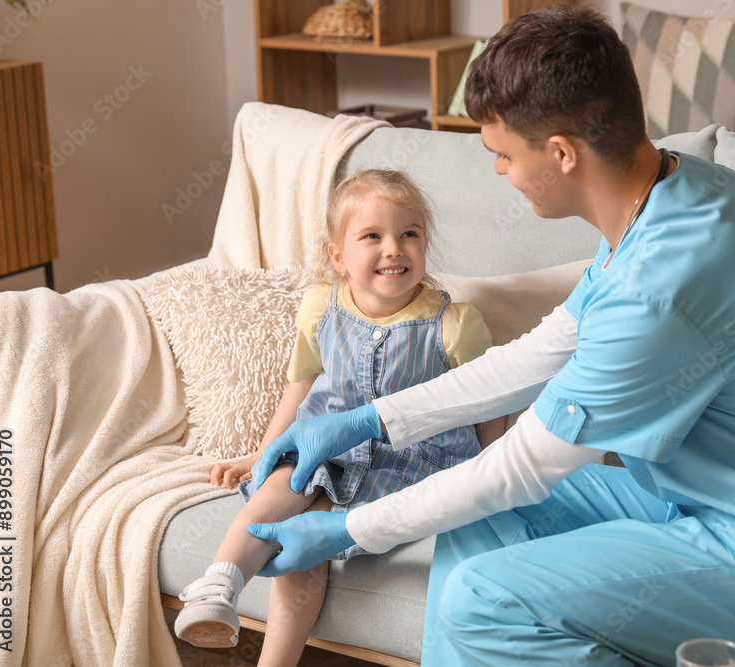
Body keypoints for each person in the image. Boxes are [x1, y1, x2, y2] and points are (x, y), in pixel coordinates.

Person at [246, 7, 735, 666]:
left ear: (561, 153)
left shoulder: (664, 283)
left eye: (504, 153)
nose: (499, 171)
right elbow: (542, 350)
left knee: (483, 598)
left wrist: (346, 529)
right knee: (470, 521)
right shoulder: (667, 195)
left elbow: (522, 465)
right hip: (710, 501)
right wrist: (368, 420)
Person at [173, 169, 504, 666]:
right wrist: (263, 453)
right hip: (323, 448)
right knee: (280, 489)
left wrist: (491, 472)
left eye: (408, 234)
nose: (393, 248)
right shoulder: (319, 309)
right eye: (372, 236)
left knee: (309, 540)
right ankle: (218, 585)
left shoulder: (454, 324)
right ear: (338, 256)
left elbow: (486, 403)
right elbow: (301, 385)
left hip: (408, 461)